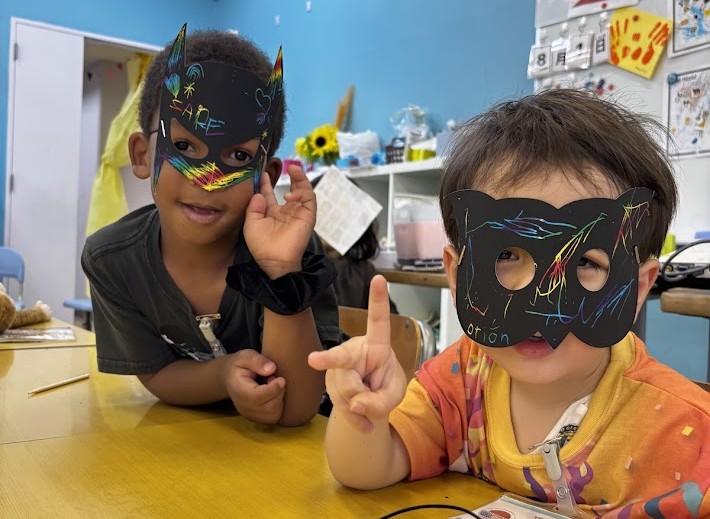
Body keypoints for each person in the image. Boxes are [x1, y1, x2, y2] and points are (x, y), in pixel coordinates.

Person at [308, 89, 710, 516]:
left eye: (586, 262)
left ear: (638, 288)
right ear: (457, 274)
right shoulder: (462, 379)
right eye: (505, 254)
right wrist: (361, 416)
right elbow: (367, 469)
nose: (540, 300)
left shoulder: (683, 433)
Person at [82, 25, 341, 427]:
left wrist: (280, 272)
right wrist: (222, 377)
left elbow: (296, 409)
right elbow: (156, 373)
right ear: (142, 155)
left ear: (266, 176)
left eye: (238, 156)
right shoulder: (111, 260)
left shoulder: (292, 252)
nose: (207, 179)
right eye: (184, 146)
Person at [310, 174, 398, 314]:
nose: (330, 219)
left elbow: (390, 318)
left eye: (340, 211)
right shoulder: (298, 269)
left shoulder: (364, 272)